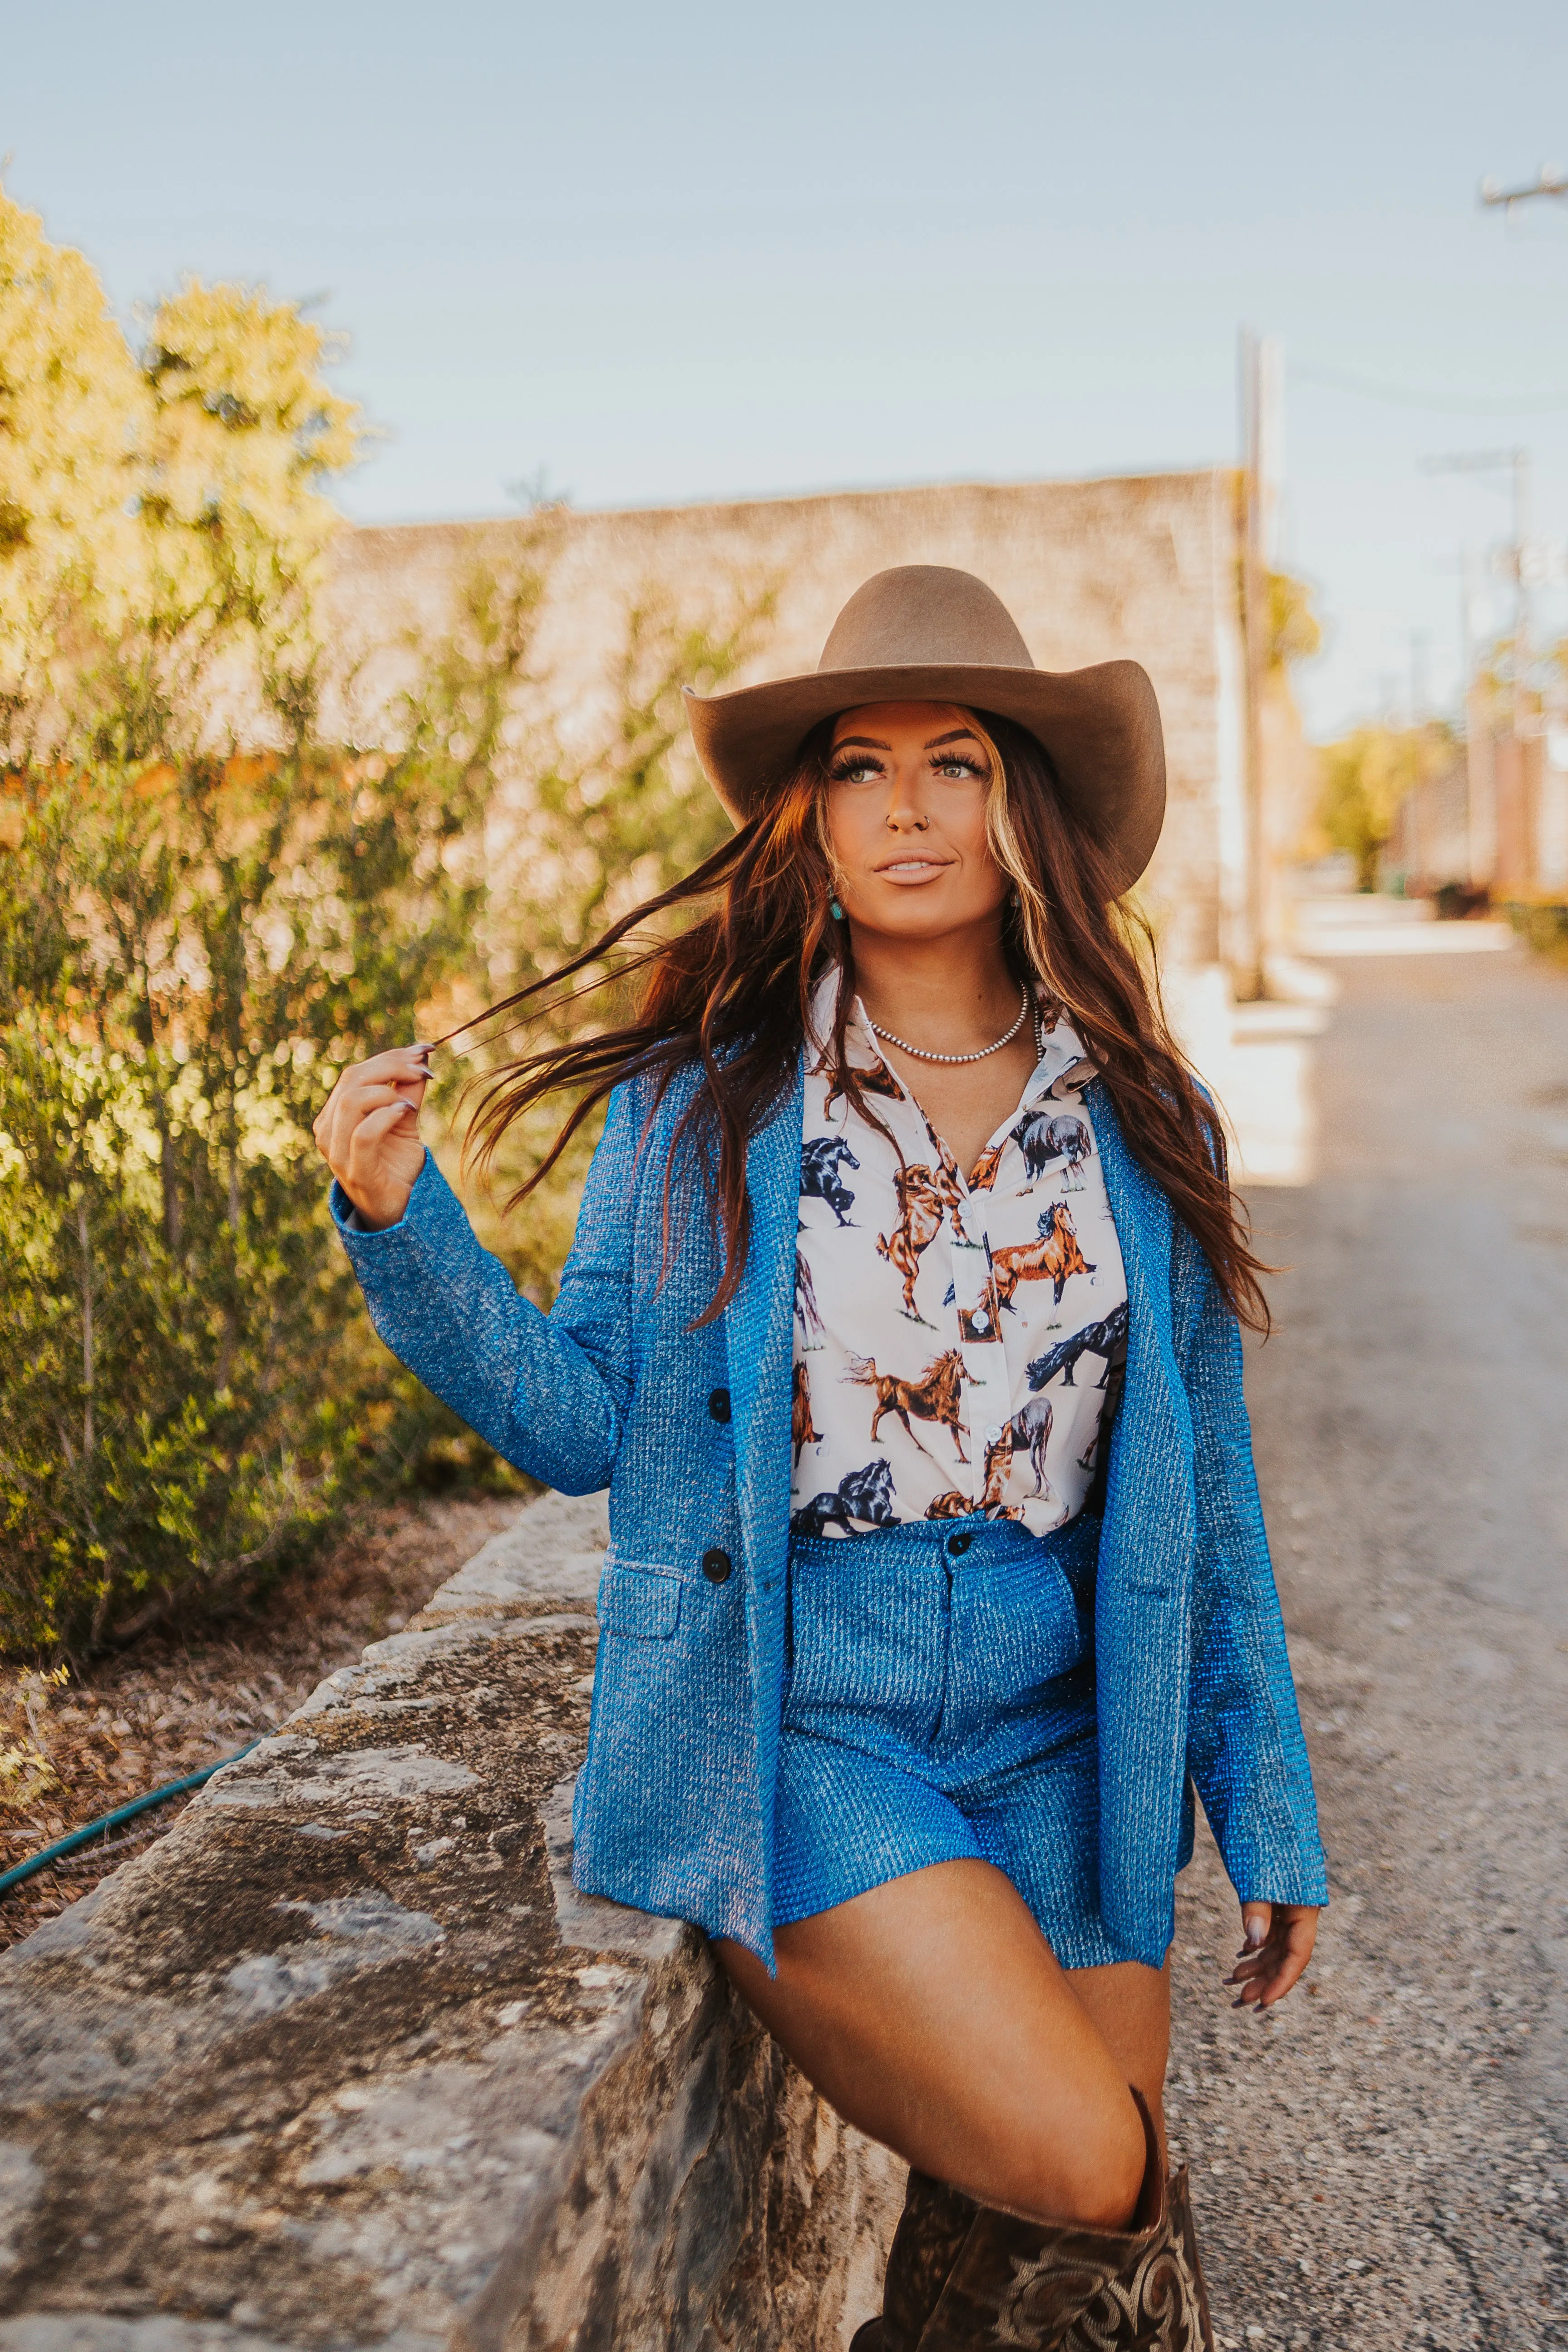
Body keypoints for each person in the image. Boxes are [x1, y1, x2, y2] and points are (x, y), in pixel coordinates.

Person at [313, 567, 1326, 2352]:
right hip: (797, 1726)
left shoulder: (1140, 1112)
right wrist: (404, 1222)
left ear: (1023, 803)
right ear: (808, 812)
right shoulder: (706, 1093)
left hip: (1064, 1734)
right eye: (860, 766)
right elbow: (572, 1422)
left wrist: (1264, 1807)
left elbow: (1206, 1505)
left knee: (1089, 2224)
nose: (909, 807)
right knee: (1084, 2163)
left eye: (955, 760)